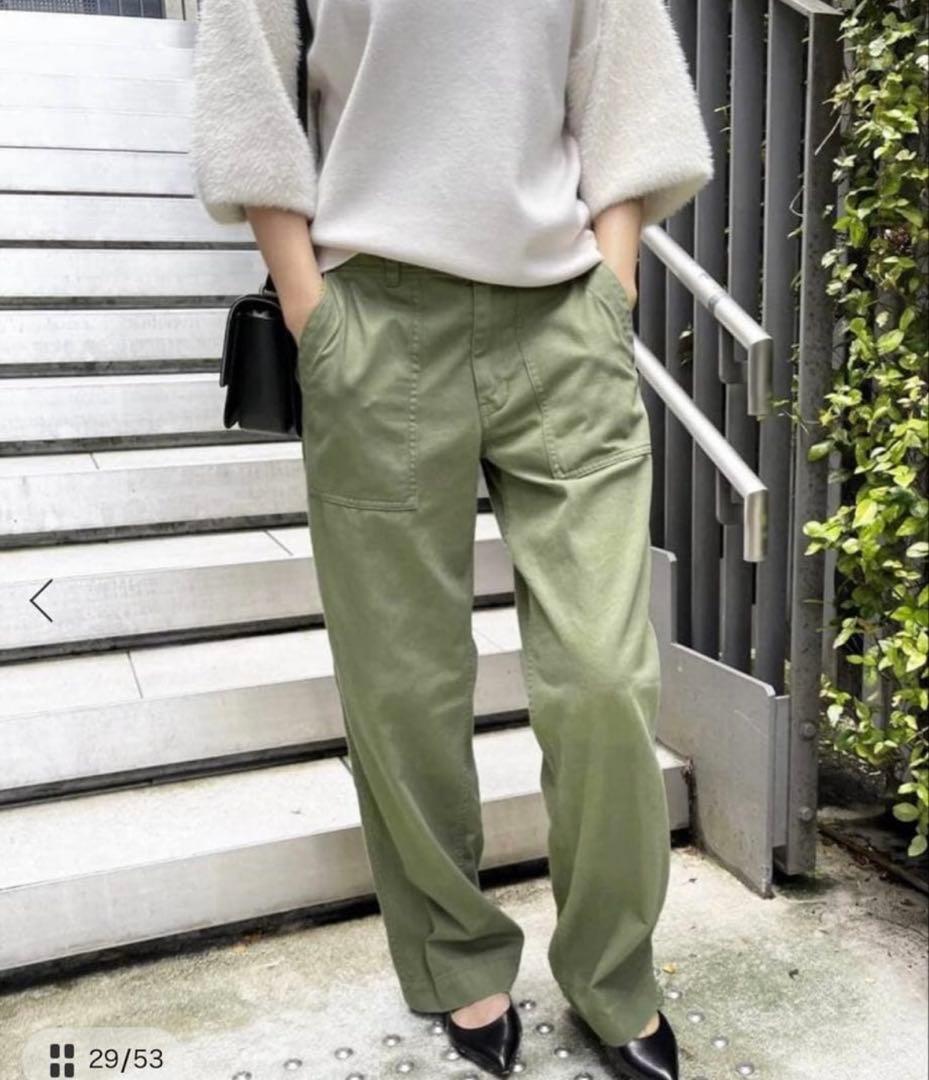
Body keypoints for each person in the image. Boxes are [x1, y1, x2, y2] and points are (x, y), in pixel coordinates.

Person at [190, 1, 713, 1076]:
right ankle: (454, 958)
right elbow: (250, 105)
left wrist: (612, 280)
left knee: (603, 677)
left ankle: (612, 972)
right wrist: (308, 305)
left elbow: (623, 86)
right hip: (374, 322)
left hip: (561, 319)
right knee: (401, 680)